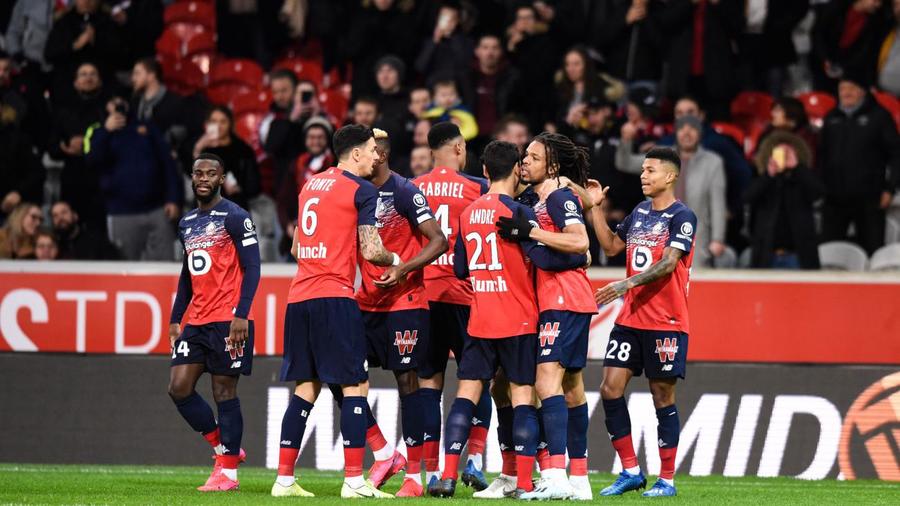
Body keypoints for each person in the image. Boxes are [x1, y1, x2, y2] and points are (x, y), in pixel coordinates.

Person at [428, 140, 587, 499]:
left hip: (480, 319)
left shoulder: (467, 213)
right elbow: (542, 259)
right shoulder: (521, 213)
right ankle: (525, 481)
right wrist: (579, 259)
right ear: (516, 170)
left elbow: (459, 268)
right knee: (522, 398)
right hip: (520, 320)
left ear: (484, 172)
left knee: (466, 395)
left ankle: (448, 476)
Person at [272, 124, 401, 499]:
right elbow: (372, 249)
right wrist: (400, 259)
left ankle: (284, 480)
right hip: (335, 297)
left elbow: (296, 249)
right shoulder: (363, 190)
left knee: (306, 387)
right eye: (373, 150)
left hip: (300, 297)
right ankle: (354, 482)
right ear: (356, 153)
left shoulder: (310, 184)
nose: (378, 156)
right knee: (355, 386)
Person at [589, 146, 697, 498]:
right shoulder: (638, 212)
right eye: (643, 170)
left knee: (662, 395)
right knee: (610, 389)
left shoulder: (683, 217)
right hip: (631, 319)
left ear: (670, 176)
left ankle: (666, 479)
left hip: (666, 321)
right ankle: (631, 471)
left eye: (651, 170)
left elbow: (669, 264)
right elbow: (609, 247)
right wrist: (595, 209)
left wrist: (625, 283)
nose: (643, 175)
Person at [495, 132, 596, 500]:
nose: (525, 162)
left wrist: (531, 232)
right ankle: (580, 479)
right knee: (571, 387)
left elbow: (580, 241)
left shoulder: (557, 197)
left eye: (534, 158)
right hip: (559, 300)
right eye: (525, 157)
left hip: (563, 298)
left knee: (546, 382)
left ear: (552, 166)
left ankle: (554, 474)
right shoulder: (535, 199)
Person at [350, 128, 448, 497]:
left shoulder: (405, 191)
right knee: (345, 378)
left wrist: (404, 268)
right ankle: (383, 452)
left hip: (405, 302)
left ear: (381, 155)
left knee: (408, 383)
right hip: (365, 303)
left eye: (369, 151)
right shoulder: (355, 192)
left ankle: (414, 477)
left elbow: (439, 240)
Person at [167, 153, 261, 492]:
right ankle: (224, 446)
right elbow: (187, 273)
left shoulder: (235, 217)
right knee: (178, 388)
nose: (204, 178)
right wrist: (177, 318)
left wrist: (242, 315)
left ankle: (228, 474)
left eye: (211, 173)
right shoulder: (187, 222)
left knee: (224, 391)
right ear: (192, 178)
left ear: (222, 179)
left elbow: (253, 267)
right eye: (198, 173)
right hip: (197, 320)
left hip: (227, 319)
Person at [412, 122, 492, 492]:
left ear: (431, 152)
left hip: (425, 296)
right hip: (467, 296)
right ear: (459, 148)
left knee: (429, 382)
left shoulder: (413, 189)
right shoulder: (479, 187)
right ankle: (474, 459)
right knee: (476, 380)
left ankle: (431, 469)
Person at [619, 115, 726, 267]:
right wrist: (626, 140)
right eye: (682, 128)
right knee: (654, 280)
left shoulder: (713, 162)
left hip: (696, 240)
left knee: (690, 285)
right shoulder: (660, 157)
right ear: (675, 132)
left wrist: (717, 239)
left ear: (700, 133)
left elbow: (717, 204)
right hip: (655, 237)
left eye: (693, 129)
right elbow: (625, 163)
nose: (687, 133)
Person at [84, 96, 182, 261]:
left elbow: (168, 164)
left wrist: (173, 198)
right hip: (122, 212)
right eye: (113, 102)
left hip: (157, 209)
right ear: (106, 106)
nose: (118, 105)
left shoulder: (147, 128)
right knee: (124, 266)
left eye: (121, 101)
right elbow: (92, 160)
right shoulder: (98, 131)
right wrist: (106, 131)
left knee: (164, 264)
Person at [819, 74, 900, 254]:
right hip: (834, 197)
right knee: (828, 249)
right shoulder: (831, 117)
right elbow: (821, 155)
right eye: (842, 89)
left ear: (862, 91)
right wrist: (821, 186)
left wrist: (890, 188)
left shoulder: (879, 117)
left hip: (870, 197)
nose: (846, 93)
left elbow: (896, 155)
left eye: (851, 88)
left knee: (872, 248)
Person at [746, 131, 824, 269]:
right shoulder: (763, 178)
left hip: (798, 255)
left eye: (788, 152)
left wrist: (797, 168)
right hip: (766, 254)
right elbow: (748, 197)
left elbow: (818, 193)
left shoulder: (803, 177)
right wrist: (769, 175)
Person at [191, 106, 261, 212]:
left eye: (223, 122)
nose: (218, 126)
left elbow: (254, 185)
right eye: (213, 121)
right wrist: (198, 149)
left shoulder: (242, 149)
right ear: (207, 124)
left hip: (235, 207)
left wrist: (239, 188)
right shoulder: (201, 148)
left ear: (230, 124)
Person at [130, 58, 187, 151]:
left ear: (151, 75)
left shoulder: (174, 101)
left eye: (137, 73)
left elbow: (181, 131)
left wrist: (154, 136)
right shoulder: (135, 102)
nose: (133, 78)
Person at [51, 200, 118, 260]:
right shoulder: (53, 244)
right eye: (55, 215)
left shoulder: (96, 240)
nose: (60, 218)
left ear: (75, 216)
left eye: (64, 212)